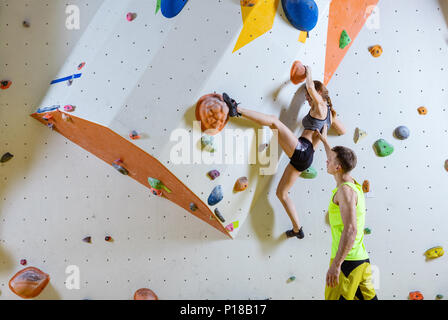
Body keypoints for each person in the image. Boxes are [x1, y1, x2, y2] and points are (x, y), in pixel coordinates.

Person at [222, 66, 346, 239]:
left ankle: (236, 110)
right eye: (307, 98)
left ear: (318, 93)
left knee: (274, 122)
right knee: (281, 193)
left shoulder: (322, 108)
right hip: (305, 156)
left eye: (309, 97)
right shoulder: (330, 115)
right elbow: (343, 131)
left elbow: (310, 87)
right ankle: (298, 229)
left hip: (303, 150)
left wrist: (308, 73)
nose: (308, 100)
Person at [314, 125, 378, 300]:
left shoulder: (345, 192)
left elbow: (350, 230)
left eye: (330, 160)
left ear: (338, 167)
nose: (326, 161)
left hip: (346, 263)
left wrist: (336, 265)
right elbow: (334, 158)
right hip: (361, 260)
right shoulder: (353, 184)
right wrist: (324, 140)